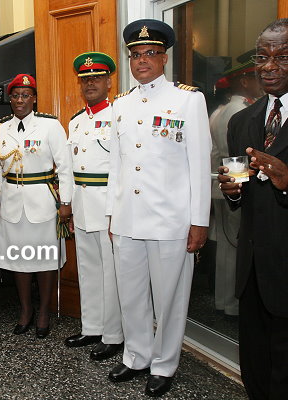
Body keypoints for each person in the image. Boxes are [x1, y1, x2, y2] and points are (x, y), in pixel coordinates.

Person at [106, 20, 211, 397]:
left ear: (164, 58)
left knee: (170, 299)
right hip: (128, 218)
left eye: (150, 53)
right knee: (131, 294)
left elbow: (199, 165)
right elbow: (116, 166)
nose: (142, 60)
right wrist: (112, 215)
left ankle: (164, 364)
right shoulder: (121, 104)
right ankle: (136, 356)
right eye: (135, 54)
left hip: (170, 220)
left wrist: (199, 221)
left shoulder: (188, 100)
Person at [218, 19, 288, 400]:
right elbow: (240, 190)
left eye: (282, 56)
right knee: (256, 368)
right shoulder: (241, 121)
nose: (269, 66)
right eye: (263, 57)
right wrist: (231, 191)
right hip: (253, 272)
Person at [0, 74, 72, 338]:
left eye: (25, 95)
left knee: (45, 259)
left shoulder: (50, 126)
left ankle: (44, 312)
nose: (20, 100)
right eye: (15, 95)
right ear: (10, 99)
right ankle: (26, 310)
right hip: (12, 202)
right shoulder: (0, 129)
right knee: (18, 260)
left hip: (43, 201)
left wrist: (66, 202)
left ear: (34, 98)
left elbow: (65, 166)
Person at [64, 52, 123, 359]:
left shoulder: (118, 116)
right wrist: (70, 206)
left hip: (108, 206)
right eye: (85, 80)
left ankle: (113, 335)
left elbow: (122, 169)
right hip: (83, 204)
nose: (90, 84)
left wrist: (116, 210)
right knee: (88, 270)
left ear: (109, 82)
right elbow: (71, 169)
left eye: (97, 78)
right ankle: (92, 327)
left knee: (111, 273)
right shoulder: (76, 121)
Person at [209, 58, 262, 317]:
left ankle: (224, 300)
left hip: (225, 181)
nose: (260, 82)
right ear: (244, 81)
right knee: (234, 245)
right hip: (233, 182)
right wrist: (238, 189)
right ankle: (232, 303)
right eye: (255, 78)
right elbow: (236, 154)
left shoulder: (225, 109)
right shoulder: (238, 111)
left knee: (226, 245)